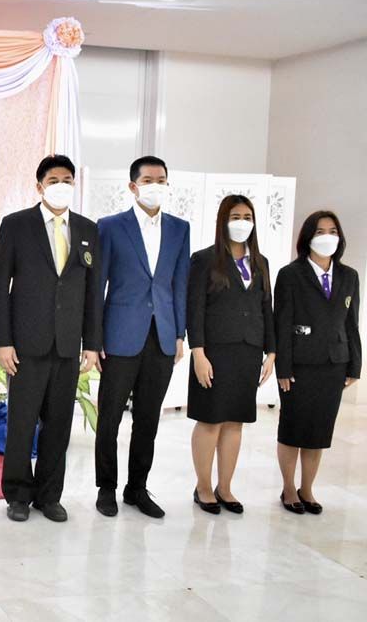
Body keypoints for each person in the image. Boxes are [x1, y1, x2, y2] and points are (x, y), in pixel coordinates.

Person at [0, 155, 101, 523]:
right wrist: (3, 341)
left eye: (67, 179)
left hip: (67, 345)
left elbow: (92, 292)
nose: (61, 185)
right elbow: (0, 287)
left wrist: (92, 343)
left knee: (58, 425)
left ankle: (49, 495)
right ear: (39, 186)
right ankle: (18, 494)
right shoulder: (17, 225)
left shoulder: (87, 229)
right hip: (26, 344)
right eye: (54, 180)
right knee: (22, 424)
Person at [94, 155, 190, 519]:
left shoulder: (179, 229)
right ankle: (106, 488)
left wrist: (179, 333)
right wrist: (95, 339)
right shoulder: (110, 227)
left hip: (162, 336)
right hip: (119, 335)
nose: (156, 186)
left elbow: (179, 285)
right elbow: (97, 287)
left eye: (161, 180)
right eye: (148, 180)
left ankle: (137, 488)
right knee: (110, 417)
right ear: (133, 186)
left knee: (148, 419)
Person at [186, 195, 276, 515]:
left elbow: (266, 309)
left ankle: (225, 487)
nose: (242, 222)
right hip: (214, 353)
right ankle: (203, 487)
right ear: (223, 221)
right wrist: (198, 353)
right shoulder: (204, 259)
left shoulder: (261, 263)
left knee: (235, 421)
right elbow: (195, 309)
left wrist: (271, 351)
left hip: (248, 352)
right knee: (210, 420)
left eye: (247, 217)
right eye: (235, 216)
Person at [274, 211, 360, 515]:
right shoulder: (290, 274)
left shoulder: (349, 276)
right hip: (299, 365)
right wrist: (283, 367)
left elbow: (351, 323)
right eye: (320, 231)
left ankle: (307, 488)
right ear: (308, 237)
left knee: (318, 432)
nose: (327, 237)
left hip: (334, 363)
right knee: (293, 428)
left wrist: (355, 365)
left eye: (333, 231)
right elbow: (282, 323)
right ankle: (288, 488)